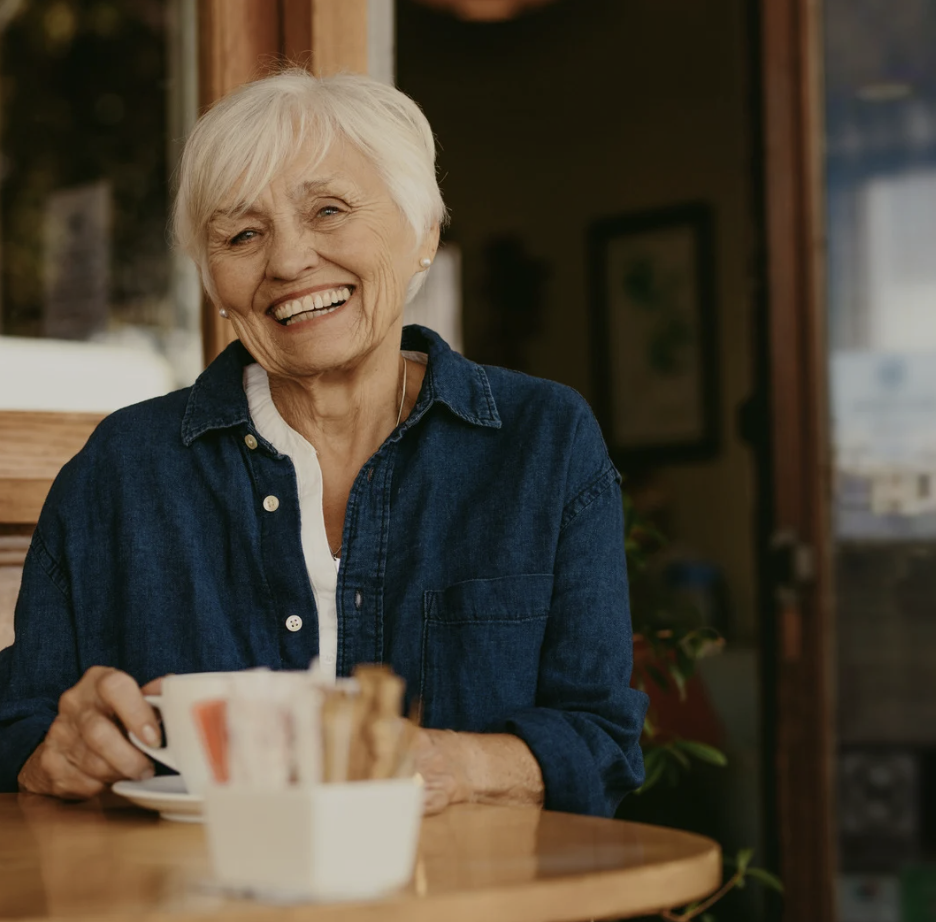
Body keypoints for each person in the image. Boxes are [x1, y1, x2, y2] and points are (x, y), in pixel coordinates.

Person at [0, 70, 647, 816]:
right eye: (242, 234)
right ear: (213, 279)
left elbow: (600, 744)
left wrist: (450, 763)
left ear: (423, 233)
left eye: (329, 210)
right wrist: (54, 751)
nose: (287, 261)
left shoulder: (542, 442)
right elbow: (20, 725)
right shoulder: (121, 469)